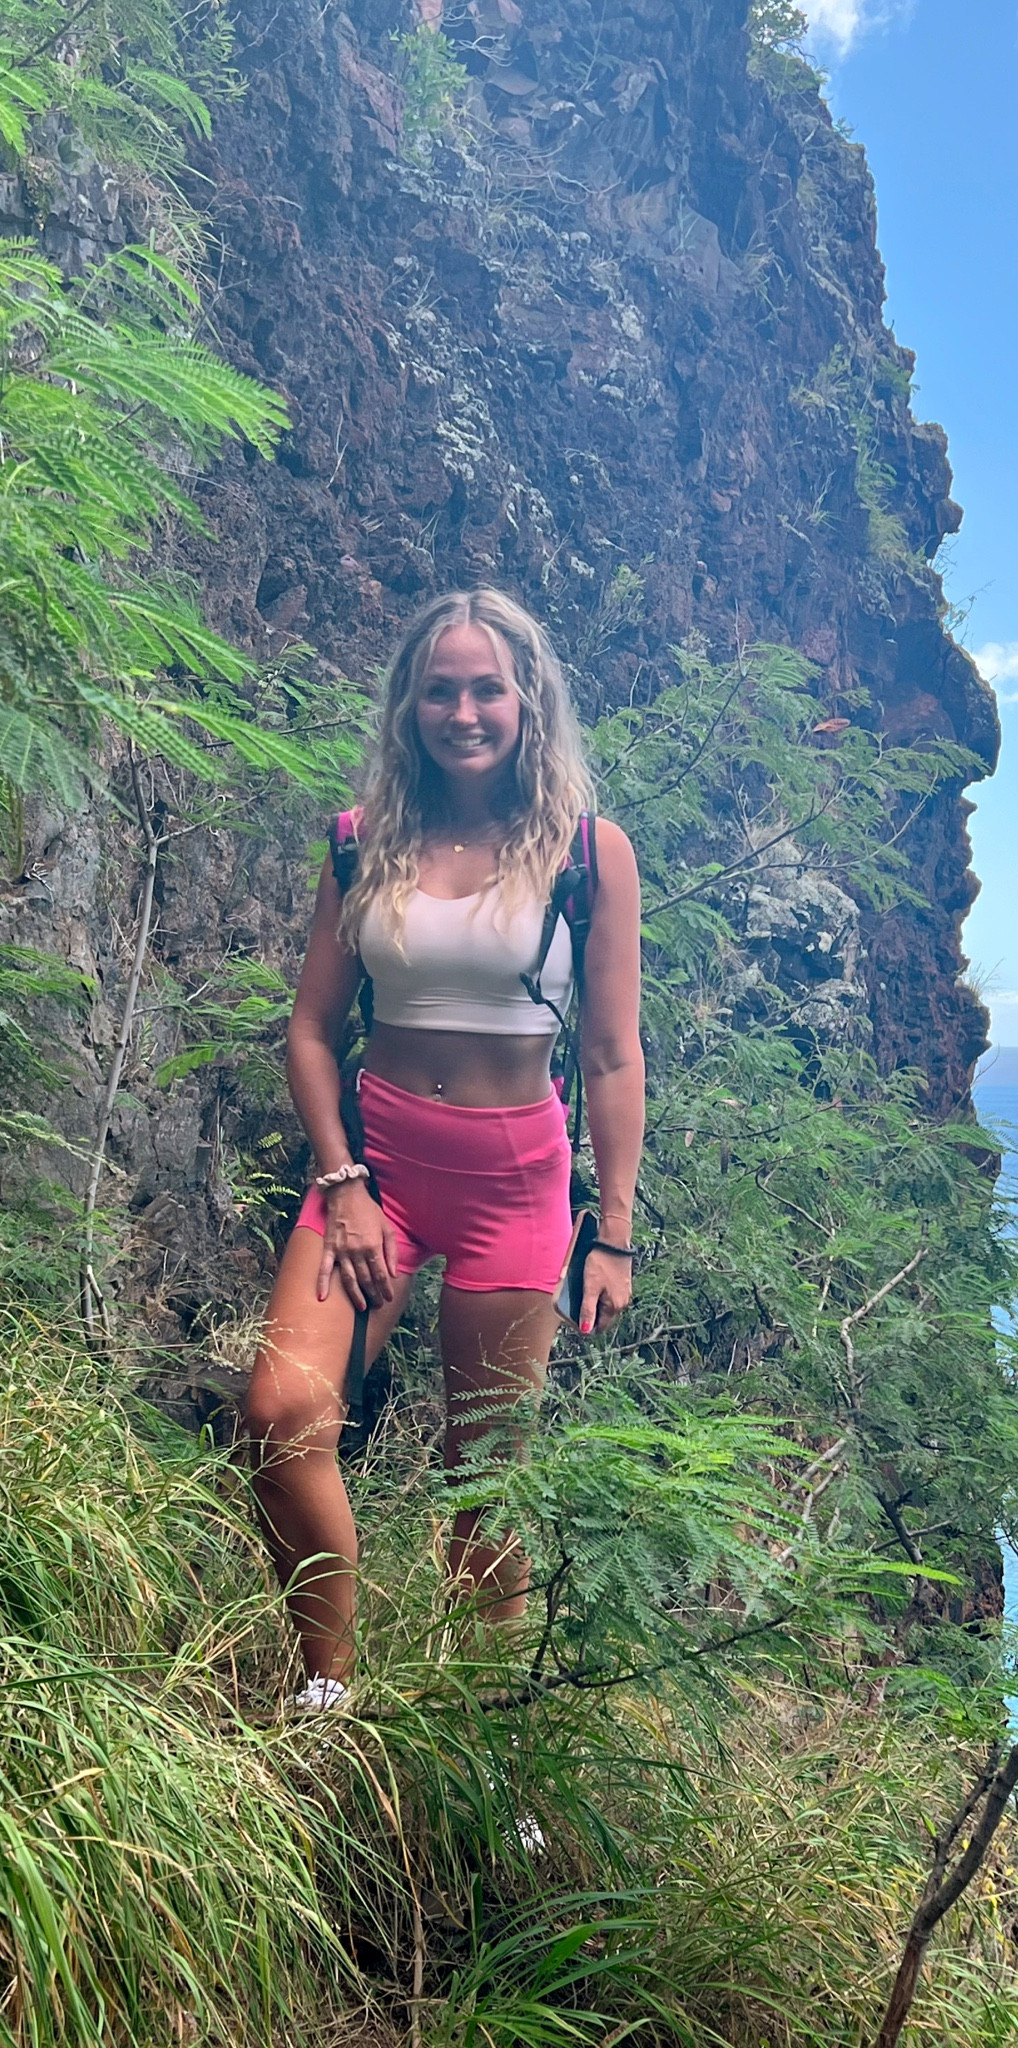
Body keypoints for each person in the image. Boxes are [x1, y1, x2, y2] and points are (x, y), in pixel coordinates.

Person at [243, 590, 644, 1710]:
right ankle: (329, 1696)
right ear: (409, 702)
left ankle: (483, 1753)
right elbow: (315, 1028)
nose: (463, 710)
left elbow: (612, 1056)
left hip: (515, 1184)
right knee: (280, 1418)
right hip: (375, 1171)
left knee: (485, 1481)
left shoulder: (587, 853)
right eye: (440, 688)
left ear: (528, 699)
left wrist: (611, 1231)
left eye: (487, 687)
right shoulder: (363, 838)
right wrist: (344, 1178)